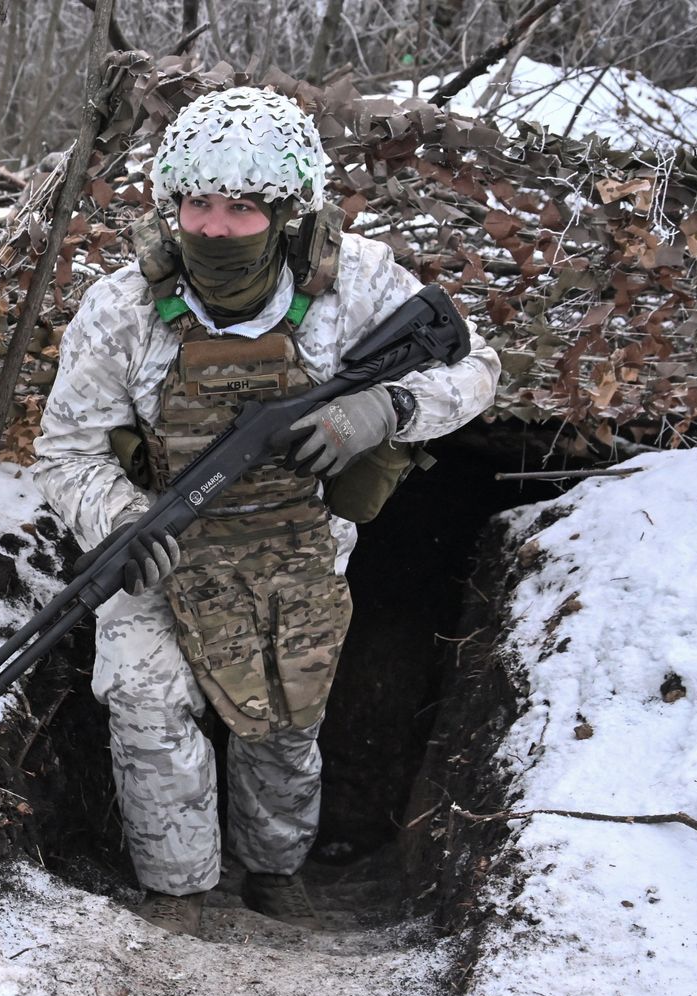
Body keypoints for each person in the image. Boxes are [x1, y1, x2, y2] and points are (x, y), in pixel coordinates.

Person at [30, 86, 501, 936]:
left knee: (284, 719)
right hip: (163, 547)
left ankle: (274, 873)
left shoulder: (357, 283)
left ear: (288, 210)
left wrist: (383, 411)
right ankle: (177, 893)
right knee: (144, 699)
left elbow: (475, 370)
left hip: (301, 548)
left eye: (242, 208)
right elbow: (66, 452)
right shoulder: (123, 308)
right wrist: (121, 522)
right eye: (197, 205)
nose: (213, 228)